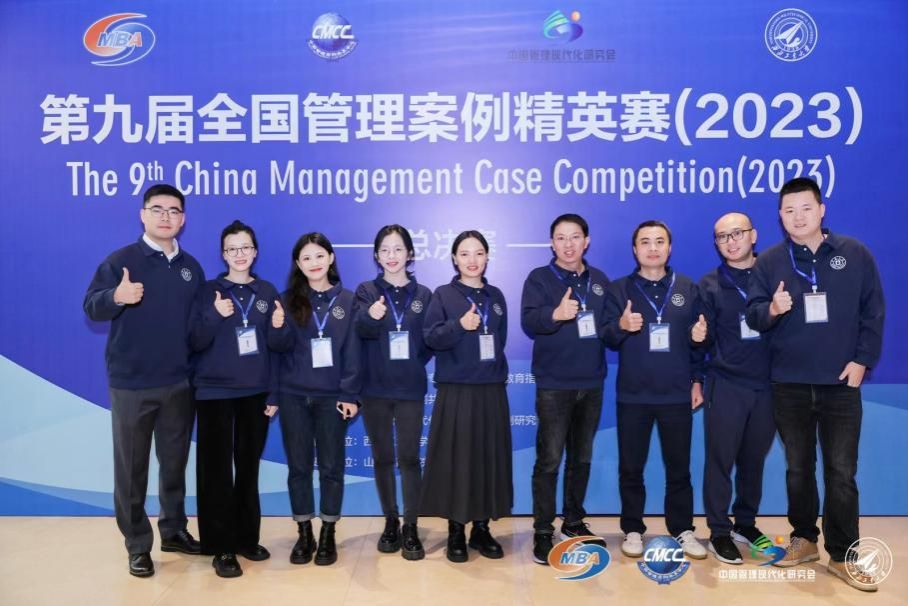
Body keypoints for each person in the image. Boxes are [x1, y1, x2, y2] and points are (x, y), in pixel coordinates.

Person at [745, 178, 885, 591]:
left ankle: (843, 555)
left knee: (841, 471)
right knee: (798, 468)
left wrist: (863, 360)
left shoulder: (854, 253)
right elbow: (754, 315)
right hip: (788, 384)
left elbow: (873, 311)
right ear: (780, 217)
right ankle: (804, 539)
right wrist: (772, 308)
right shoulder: (770, 261)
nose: (798, 217)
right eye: (789, 211)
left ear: (821, 210)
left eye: (806, 208)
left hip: (840, 384)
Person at [83, 184, 204, 578]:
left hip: (178, 384)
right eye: (157, 209)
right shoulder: (120, 261)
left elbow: (197, 328)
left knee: (174, 465)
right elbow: (92, 307)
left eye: (174, 210)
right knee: (131, 470)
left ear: (183, 219)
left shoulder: (191, 268)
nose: (166, 216)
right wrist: (117, 297)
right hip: (132, 385)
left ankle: (174, 530)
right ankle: (137, 545)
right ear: (143, 214)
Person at [601, 220, 707, 560]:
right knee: (631, 468)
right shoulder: (619, 289)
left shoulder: (688, 288)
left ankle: (682, 529)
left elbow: (698, 341)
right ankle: (633, 528)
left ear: (669, 248)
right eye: (645, 242)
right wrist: (621, 325)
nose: (652, 248)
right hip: (633, 395)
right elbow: (607, 336)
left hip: (676, 394)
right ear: (635, 249)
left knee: (679, 469)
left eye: (659, 241)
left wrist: (697, 373)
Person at [188, 220, 289, 577]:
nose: (239, 254)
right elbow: (194, 340)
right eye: (232, 249)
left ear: (255, 251)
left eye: (245, 247)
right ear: (223, 254)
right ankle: (221, 547)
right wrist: (215, 316)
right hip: (214, 393)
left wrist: (278, 327)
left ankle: (247, 538)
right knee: (215, 470)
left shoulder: (267, 291)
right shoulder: (208, 291)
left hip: (256, 393)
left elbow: (277, 348)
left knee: (248, 467)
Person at [520, 213, 610, 564]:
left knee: (581, 457)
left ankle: (573, 521)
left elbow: (608, 328)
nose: (568, 244)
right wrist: (555, 315)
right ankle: (543, 530)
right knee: (550, 459)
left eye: (575, 237)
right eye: (561, 237)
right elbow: (529, 321)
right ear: (552, 243)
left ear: (586, 241)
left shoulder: (599, 281)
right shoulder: (539, 278)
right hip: (554, 385)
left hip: (592, 383)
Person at [420, 230, 513, 563]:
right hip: (457, 390)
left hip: (491, 390)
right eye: (464, 253)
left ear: (487, 257)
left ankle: (482, 528)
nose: (472, 260)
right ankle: (456, 530)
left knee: (489, 459)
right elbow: (431, 337)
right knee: (457, 462)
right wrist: (459, 325)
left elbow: (499, 339)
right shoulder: (443, 295)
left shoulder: (496, 296)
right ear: (454, 259)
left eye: (478, 253)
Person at [692, 213, 774, 564]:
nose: (731, 241)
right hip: (726, 384)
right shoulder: (709, 285)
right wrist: (697, 341)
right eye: (722, 236)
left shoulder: (774, 274)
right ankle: (719, 531)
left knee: (754, 460)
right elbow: (702, 339)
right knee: (720, 461)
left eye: (737, 233)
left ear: (753, 235)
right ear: (716, 243)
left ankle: (745, 523)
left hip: (769, 386)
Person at [276, 232, 361, 567]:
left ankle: (327, 532)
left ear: (331, 258)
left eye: (319, 256)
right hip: (293, 396)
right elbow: (277, 351)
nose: (314, 263)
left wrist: (350, 394)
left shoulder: (348, 300)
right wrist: (277, 327)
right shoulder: (287, 300)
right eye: (306, 258)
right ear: (298, 264)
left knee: (331, 467)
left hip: (332, 398)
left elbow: (353, 351)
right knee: (298, 468)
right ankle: (304, 532)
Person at [355, 225, 433, 560]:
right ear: (376, 255)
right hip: (374, 388)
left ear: (409, 253)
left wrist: (411, 361)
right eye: (385, 250)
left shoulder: (424, 295)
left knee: (410, 458)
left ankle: (411, 525)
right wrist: (371, 316)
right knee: (383, 458)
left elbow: (429, 341)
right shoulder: (367, 291)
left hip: (410, 388)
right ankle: (391, 521)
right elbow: (359, 331)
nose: (391, 256)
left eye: (398, 249)